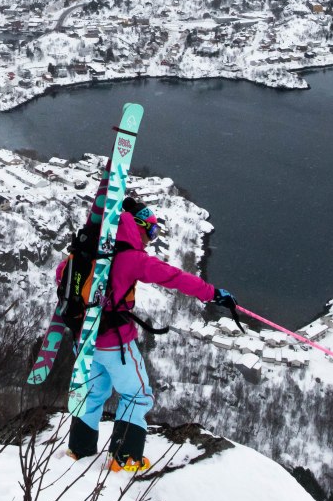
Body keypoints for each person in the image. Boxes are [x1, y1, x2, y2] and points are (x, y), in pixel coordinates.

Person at [64, 197, 238, 472]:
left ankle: (79, 450)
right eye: (152, 232)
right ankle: (126, 457)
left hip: (83, 340)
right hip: (115, 343)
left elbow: (63, 274)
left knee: (94, 392)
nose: (151, 239)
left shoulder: (90, 248)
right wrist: (213, 294)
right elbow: (174, 277)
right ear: (139, 228)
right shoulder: (132, 258)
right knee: (137, 393)